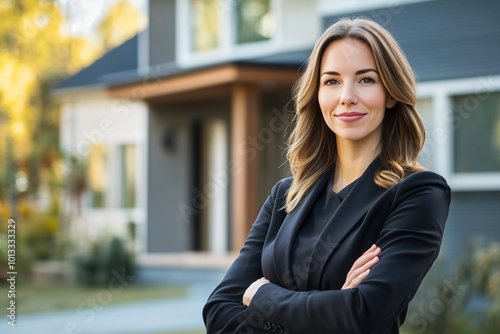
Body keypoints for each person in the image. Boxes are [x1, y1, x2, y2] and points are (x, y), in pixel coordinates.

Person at [203, 17, 451, 334]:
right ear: (317, 95)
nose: (347, 96)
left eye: (366, 80)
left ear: (391, 93)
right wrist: (332, 306)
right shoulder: (285, 196)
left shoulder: (418, 193)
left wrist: (264, 296)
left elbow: (364, 314)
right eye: (332, 81)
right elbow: (218, 312)